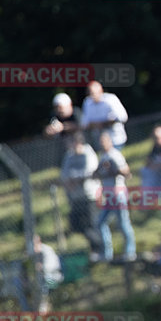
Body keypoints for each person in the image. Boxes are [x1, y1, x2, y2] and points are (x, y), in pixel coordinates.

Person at [61, 132, 104, 261]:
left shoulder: (88, 154)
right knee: (76, 224)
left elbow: (89, 172)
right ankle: (95, 248)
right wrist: (70, 181)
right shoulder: (69, 156)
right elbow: (64, 174)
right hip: (76, 198)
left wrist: (74, 179)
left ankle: (99, 250)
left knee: (91, 224)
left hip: (89, 196)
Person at [94, 131, 137, 262]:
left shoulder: (115, 155)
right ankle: (107, 254)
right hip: (108, 196)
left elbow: (126, 171)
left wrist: (112, 169)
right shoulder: (102, 156)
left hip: (118, 195)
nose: (102, 144)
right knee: (100, 223)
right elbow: (96, 173)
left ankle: (130, 252)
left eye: (104, 141)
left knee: (123, 223)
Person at [80, 81, 128, 150]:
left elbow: (123, 117)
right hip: (100, 142)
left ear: (101, 91)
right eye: (90, 93)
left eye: (94, 93)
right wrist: (95, 125)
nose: (92, 95)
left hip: (115, 139)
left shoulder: (110, 99)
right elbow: (84, 123)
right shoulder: (87, 103)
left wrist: (106, 123)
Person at [44, 92, 82, 165]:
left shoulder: (76, 113)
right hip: (65, 153)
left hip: (81, 148)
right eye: (56, 107)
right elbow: (47, 133)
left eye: (61, 107)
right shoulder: (54, 116)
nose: (59, 110)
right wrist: (48, 131)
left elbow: (80, 126)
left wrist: (63, 127)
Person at [33, 234, 63, 313]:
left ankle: (44, 306)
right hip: (46, 277)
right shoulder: (37, 254)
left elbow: (51, 267)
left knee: (45, 282)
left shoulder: (47, 251)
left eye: (34, 244)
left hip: (54, 277)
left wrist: (41, 267)